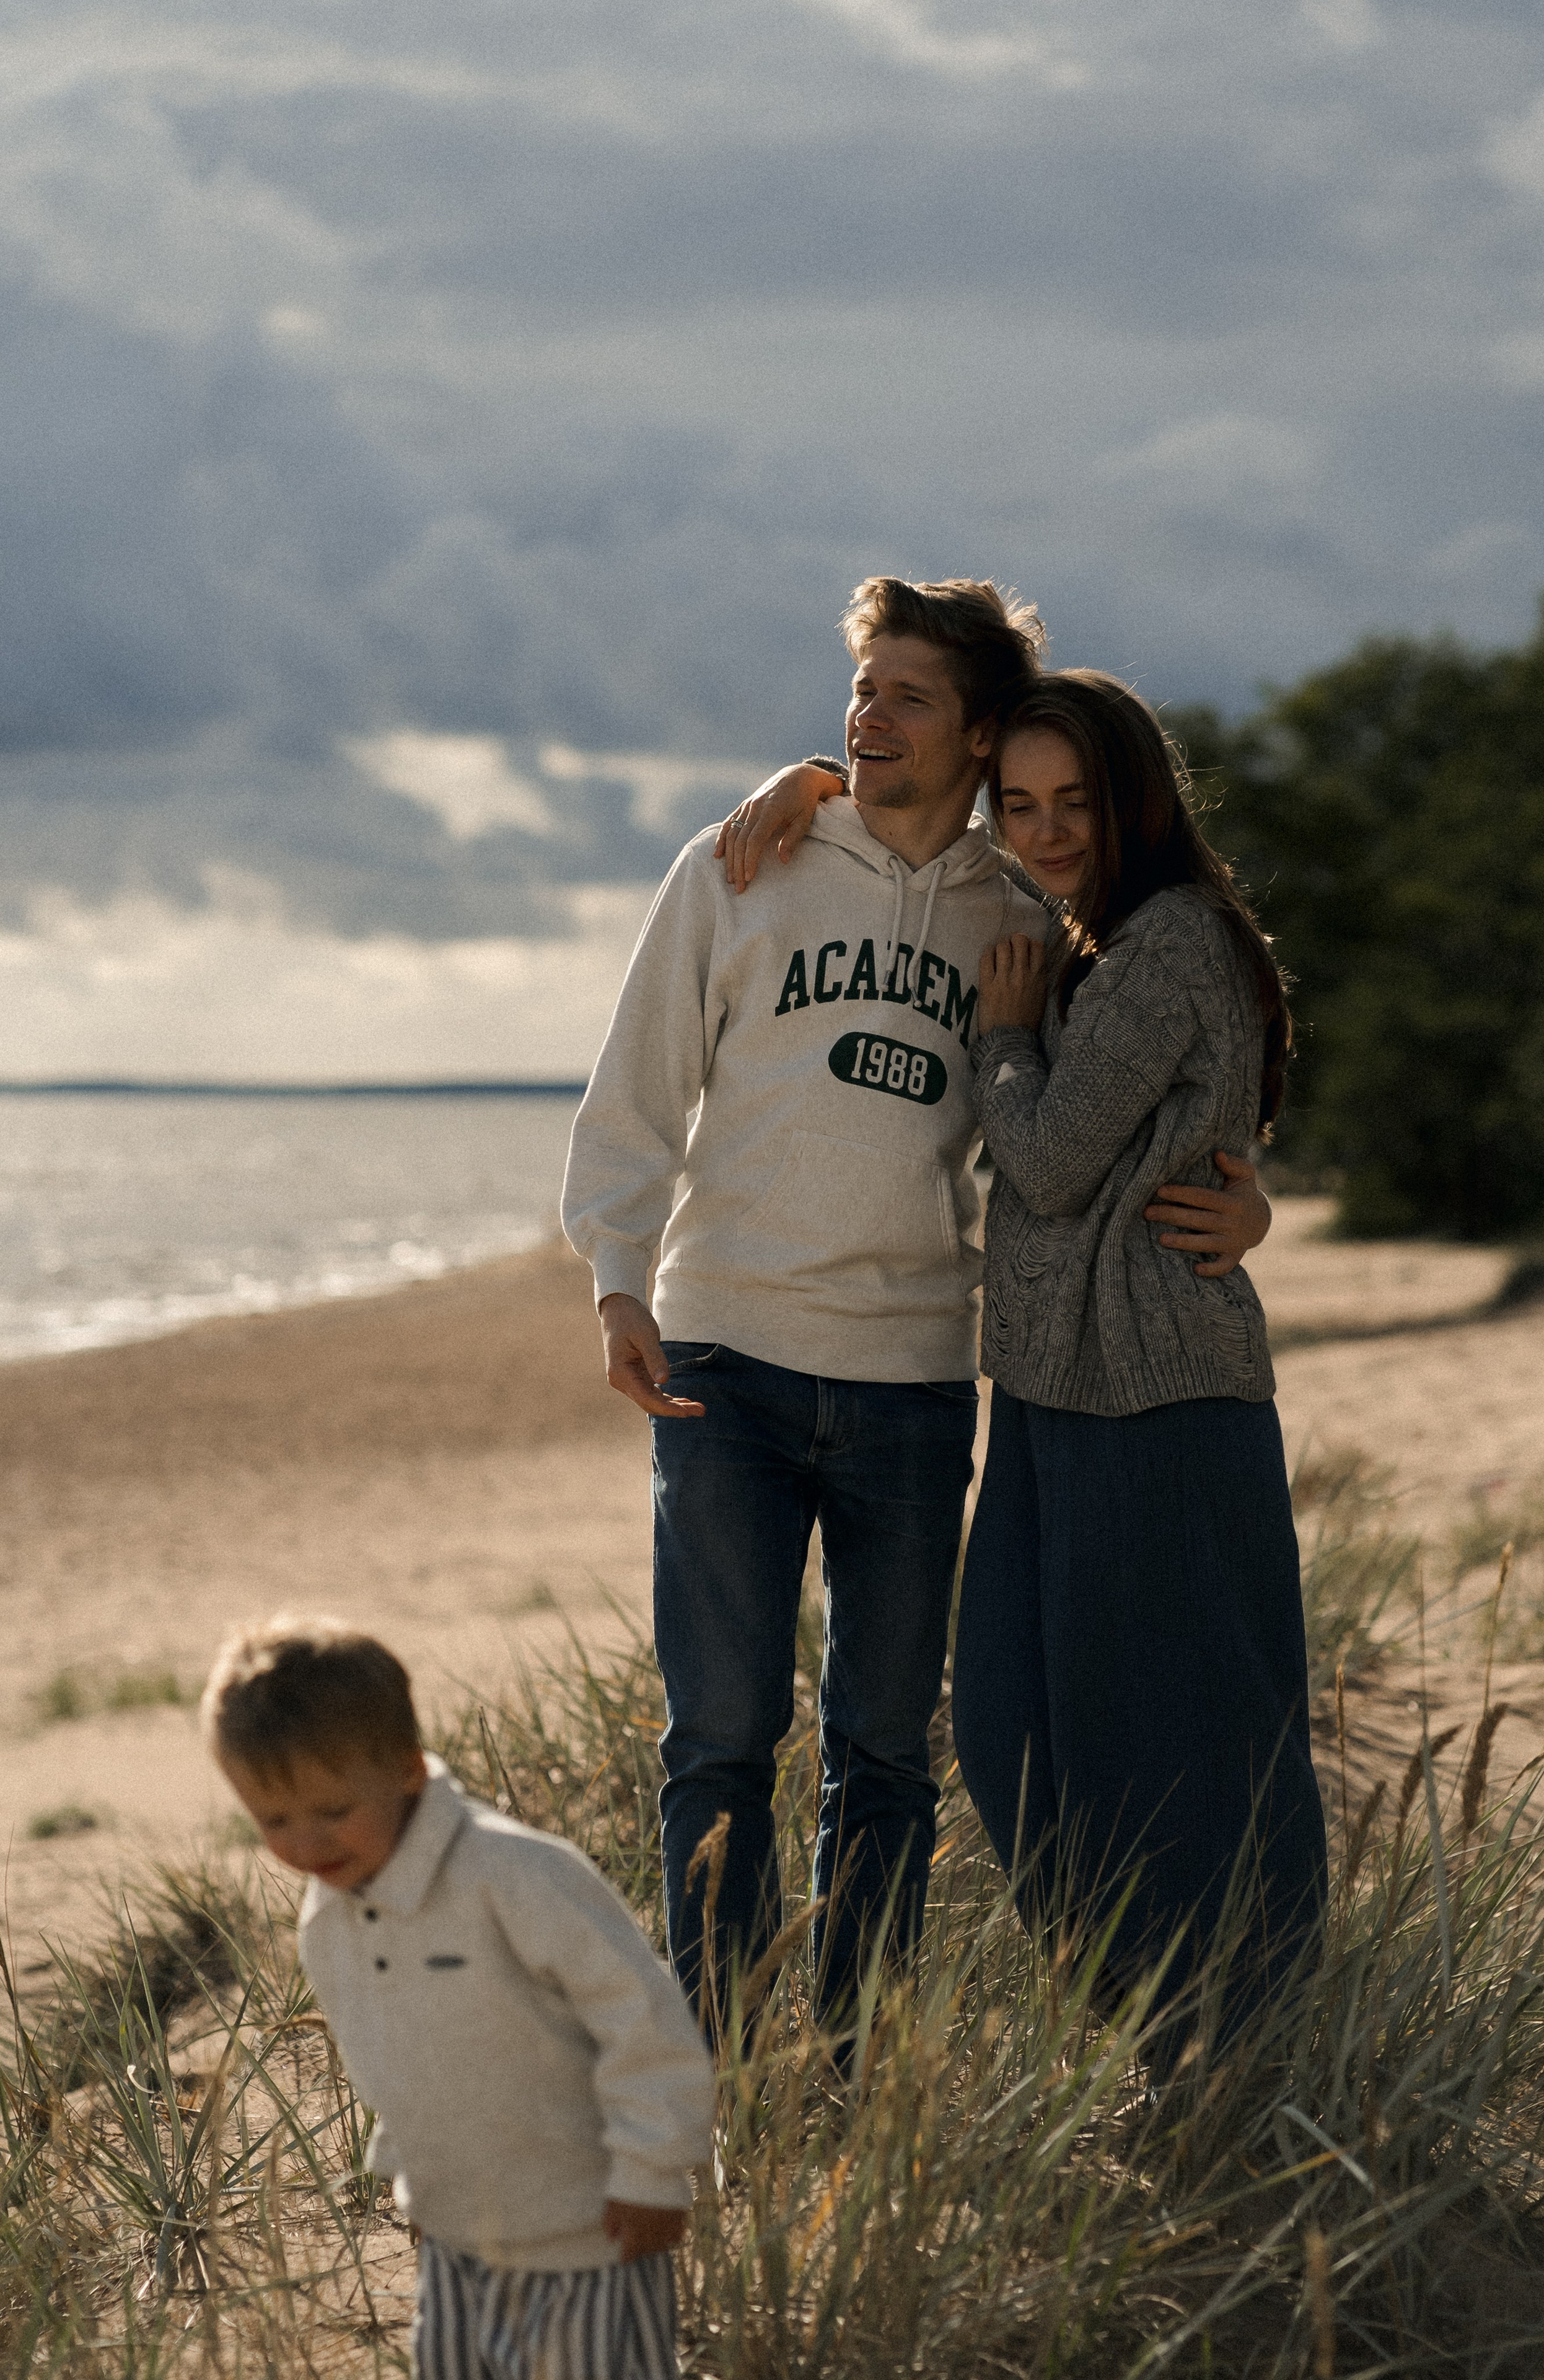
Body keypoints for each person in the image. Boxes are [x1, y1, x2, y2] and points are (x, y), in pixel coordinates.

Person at [561, 576, 1271, 2028]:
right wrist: (616, 1277)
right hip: (724, 1357)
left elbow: (1142, 1083)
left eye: (908, 696)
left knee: (880, 1752)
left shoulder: (1017, 912)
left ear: (977, 734)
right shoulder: (739, 863)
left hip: (910, 1376)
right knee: (715, 1739)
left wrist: (1243, 1182)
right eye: (860, 689)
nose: (867, 716)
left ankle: (851, 2059)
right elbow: (637, 1087)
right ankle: (720, 2060)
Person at [958, 672, 1327, 2048]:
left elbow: (1049, 1159)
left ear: (1139, 800)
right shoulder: (1107, 943)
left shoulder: (1165, 941)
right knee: (1020, 1736)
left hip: (1156, 1404)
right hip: (1061, 1398)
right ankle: (1147, 2021)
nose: (1046, 832)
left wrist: (1002, 1033)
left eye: (1076, 802)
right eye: (1019, 805)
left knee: (1188, 1752)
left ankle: (1233, 2046)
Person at [203, 1616, 714, 2380]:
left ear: (408, 1769)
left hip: (590, 2230)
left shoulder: (514, 1873)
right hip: (456, 2241)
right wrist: (409, 2170)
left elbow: (643, 2020)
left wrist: (653, 2170)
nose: (307, 1844)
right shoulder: (330, 1917)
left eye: (333, 1809)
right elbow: (385, 2054)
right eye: (275, 1820)